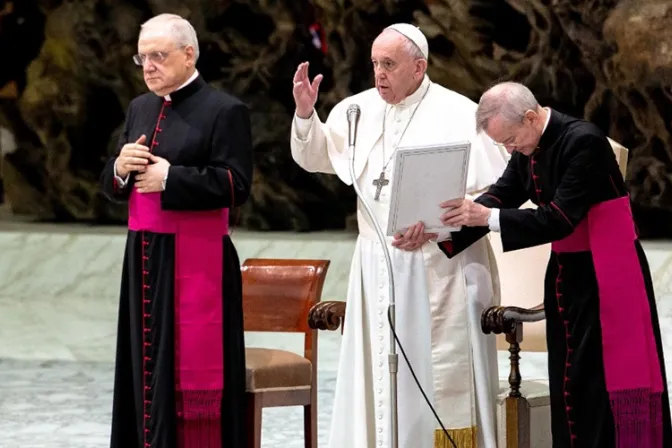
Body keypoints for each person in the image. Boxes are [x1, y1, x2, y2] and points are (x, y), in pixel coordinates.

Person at [290, 23, 509, 448]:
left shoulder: (460, 112)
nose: (379, 74)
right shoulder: (356, 110)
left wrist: (437, 225)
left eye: (389, 64)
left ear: (419, 67)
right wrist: (305, 114)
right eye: (375, 64)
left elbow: (495, 189)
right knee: (378, 375)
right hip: (377, 261)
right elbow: (318, 156)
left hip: (441, 265)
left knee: (440, 373)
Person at [438, 81, 672, 447]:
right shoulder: (528, 143)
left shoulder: (584, 141)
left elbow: (560, 218)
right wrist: (443, 233)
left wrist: (486, 217)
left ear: (531, 117)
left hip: (607, 273)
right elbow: (504, 193)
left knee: (597, 381)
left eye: (511, 140)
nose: (509, 149)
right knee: (568, 381)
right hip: (566, 271)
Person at [99, 13, 253, 448]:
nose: (148, 66)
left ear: (189, 55)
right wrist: (119, 170)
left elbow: (236, 185)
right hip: (143, 258)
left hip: (197, 262)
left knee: (188, 374)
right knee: (142, 369)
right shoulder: (140, 108)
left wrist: (172, 179)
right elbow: (113, 186)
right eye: (142, 57)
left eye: (159, 56)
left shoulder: (225, 110)